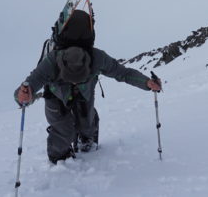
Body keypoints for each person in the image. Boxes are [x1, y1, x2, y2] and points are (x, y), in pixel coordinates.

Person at [14, 9, 162, 164]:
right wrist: (23, 95)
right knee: (63, 131)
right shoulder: (51, 62)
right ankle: (59, 158)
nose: (75, 83)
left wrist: (146, 83)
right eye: (71, 80)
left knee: (87, 123)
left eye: (79, 79)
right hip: (56, 96)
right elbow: (30, 84)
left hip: (85, 94)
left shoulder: (98, 58)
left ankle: (87, 139)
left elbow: (123, 73)